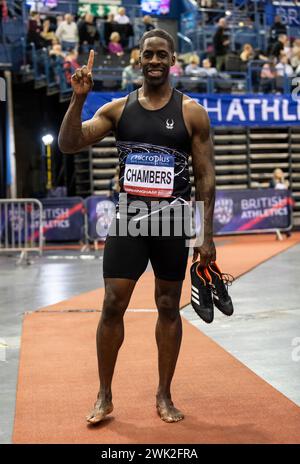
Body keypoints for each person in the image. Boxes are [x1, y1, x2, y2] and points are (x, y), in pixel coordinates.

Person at [58, 29, 216, 425]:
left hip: (173, 217)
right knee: (113, 303)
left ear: (174, 59)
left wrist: (205, 237)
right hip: (130, 215)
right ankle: (104, 395)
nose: (156, 61)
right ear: (138, 58)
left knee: (168, 306)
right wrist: (78, 100)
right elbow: (69, 143)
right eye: (149, 54)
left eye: (163, 54)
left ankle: (164, 394)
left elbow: (205, 176)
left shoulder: (192, 112)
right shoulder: (118, 109)